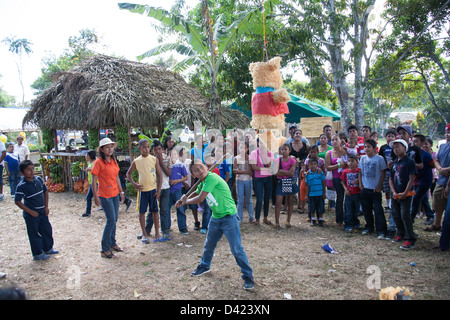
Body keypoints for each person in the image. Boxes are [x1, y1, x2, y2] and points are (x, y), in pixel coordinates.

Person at [175, 161, 254, 290]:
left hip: (229, 217)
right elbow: (196, 192)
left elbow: (200, 198)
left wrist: (185, 201)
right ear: (193, 174)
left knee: (236, 249)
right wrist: (185, 197)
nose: (200, 170)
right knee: (209, 244)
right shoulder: (203, 182)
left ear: (206, 167)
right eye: (196, 170)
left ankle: (248, 275)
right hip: (216, 217)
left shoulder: (211, 178)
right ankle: (204, 266)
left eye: (201, 167)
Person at [14, 160, 59, 261]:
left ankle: (48, 248)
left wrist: (46, 207)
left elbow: (45, 191)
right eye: (28, 170)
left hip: (43, 211)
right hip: (31, 215)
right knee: (34, 234)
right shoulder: (21, 186)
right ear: (22, 173)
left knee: (46, 230)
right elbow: (17, 201)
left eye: (33, 169)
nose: (32, 171)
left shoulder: (39, 179)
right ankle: (38, 254)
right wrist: (30, 212)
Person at [91, 138, 125, 258]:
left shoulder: (113, 160)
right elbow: (93, 181)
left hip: (115, 193)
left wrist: (121, 192)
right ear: (102, 149)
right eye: (107, 147)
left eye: (111, 146)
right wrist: (95, 197)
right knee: (110, 220)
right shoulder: (98, 162)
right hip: (104, 195)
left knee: (114, 220)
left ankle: (112, 243)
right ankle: (104, 249)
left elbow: (116, 178)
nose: (110, 149)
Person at [127, 139, 163, 243]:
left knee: (155, 212)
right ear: (139, 148)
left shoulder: (154, 159)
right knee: (142, 212)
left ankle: (157, 233)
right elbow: (128, 174)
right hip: (142, 191)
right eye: (144, 147)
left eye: (148, 147)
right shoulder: (136, 161)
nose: (146, 149)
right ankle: (144, 234)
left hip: (153, 191)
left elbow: (160, 176)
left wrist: (159, 190)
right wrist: (134, 184)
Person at [389, 139, 417, 250]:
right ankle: (400, 233)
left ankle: (410, 238)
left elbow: (412, 178)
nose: (395, 149)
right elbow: (391, 178)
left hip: (406, 193)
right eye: (394, 147)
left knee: (405, 214)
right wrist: (394, 192)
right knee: (396, 213)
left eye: (398, 147)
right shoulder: (395, 162)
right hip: (395, 193)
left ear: (404, 148)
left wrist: (405, 192)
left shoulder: (409, 162)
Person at [358, 139, 388, 239]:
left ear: (374, 148)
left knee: (378, 209)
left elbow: (383, 173)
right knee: (366, 209)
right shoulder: (362, 159)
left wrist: (379, 186)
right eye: (365, 147)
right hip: (365, 188)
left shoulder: (379, 159)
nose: (366, 149)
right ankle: (369, 226)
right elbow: (360, 172)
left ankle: (381, 230)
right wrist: (361, 184)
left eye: (369, 147)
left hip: (375, 190)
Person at [425, 123, 450, 233]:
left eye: (449, 133)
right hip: (442, 179)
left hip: (448, 179)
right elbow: (436, 159)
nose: (447, 135)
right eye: (446, 132)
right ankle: (437, 224)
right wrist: (440, 169)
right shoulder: (443, 146)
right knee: (437, 199)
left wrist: (446, 169)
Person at [410, 134, 435, 223]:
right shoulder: (412, 153)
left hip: (425, 180)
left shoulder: (426, 155)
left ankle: (411, 217)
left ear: (422, 143)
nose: (414, 143)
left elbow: (432, 165)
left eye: (416, 141)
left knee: (416, 198)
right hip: (416, 180)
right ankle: (430, 215)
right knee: (423, 198)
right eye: (413, 141)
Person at [325, 134, 348, 225]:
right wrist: (338, 165)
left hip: (347, 177)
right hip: (336, 178)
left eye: (336, 139)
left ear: (340, 141)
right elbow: (328, 167)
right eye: (332, 140)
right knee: (339, 197)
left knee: (348, 198)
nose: (334, 141)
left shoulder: (345, 151)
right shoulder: (329, 153)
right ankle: (339, 219)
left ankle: (349, 217)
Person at [151, 140, 172, 239]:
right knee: (152, 210)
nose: (157, 151)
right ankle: (146, 230)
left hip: (165, 187)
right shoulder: (150, 160)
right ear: (152, 151)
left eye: (159, 149)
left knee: (164, 210)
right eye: (155, 150)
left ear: (162, 149)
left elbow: (168, 173)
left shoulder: (167, 158)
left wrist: (161, 162)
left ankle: (165, 231)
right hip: (153, 188)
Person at [250, 138, 274, 225]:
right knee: (259, 199)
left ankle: (265, 218)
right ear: (257, 143)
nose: (263, 144)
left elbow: (271, 166)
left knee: (267, 199)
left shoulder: (270, 153)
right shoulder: (254, 153)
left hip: (268, 178)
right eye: (260, 143)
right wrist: (266, 169)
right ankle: (257, 219)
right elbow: (254, 167)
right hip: (258, 179)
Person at [378, 129, 397, 239]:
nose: (389, 138)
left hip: (396, 173)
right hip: (387, 171)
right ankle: (388, 205)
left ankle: (394, 226)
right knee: (387, 190)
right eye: (388, 136)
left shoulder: (397, 147)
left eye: (391, 136)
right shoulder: (383, 147)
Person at [274, 143, 297, 228]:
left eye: (285, 149)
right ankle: (277, 222)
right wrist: (284, 172)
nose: (283, 151)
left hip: (289, 181)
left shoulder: (292, 160)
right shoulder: (277, 160)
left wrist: (281, 171)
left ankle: (288, 221)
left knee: (290, 201)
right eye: (282, 149)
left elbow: (291, 173)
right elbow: (274, 173)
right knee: (278, 202)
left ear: (289, 151)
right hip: (280, 181)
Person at [168, 146, 190, 234]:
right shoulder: (166, 165)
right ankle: (166, 227)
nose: (173, 156)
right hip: (167, 191)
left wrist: (177, 181)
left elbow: (186, 177)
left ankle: (183, 228)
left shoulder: (180, 165)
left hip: (177, 190)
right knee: (166, 209)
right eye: (171, 154)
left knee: (180, 209)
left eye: (174, 154)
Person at [233, 141, 255, 223]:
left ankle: (251, 216)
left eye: (244, 148)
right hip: (239, 181)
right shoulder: (236, 158)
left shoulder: (250, 158)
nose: (242, 149)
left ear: (247, 149)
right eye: (241, 147)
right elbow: (234, 170)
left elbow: (251, 171)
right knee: (240, 200)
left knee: (249, 200)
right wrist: (246, 172)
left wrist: (240, 171)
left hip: (248, 181)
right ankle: (239, 218)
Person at [290, 129, 309, 214]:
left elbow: (309, 154)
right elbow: (284, 153)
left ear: (302, 136)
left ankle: (301, 204)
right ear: (293, 136)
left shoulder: (305, 145)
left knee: (302, 185)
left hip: (302, 168)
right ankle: (290, 203)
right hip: (292, 167)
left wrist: (305, 162)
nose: (297, 135)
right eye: (296, 133)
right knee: (293, 184)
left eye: (299, 133)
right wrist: (290, 156)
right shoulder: (289, 145)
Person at [341, 154, 362, 232]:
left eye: (352, 161)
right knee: (348, 209)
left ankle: (355, 222)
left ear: (357, 162)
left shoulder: (358, 171)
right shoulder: (345, 171)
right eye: (349, 161)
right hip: (349, 194)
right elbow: (342, 181)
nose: (350, 163)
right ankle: (348, 224)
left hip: (357, 193)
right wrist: (346, 189)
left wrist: (358, 180)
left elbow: (361, 179)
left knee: (356, 209)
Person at [305, 158, 326, 227]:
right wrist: (306, 195)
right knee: (312, 207)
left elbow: (323, 183)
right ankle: (313, 219)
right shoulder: (308, 174)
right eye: (311, 164)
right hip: (311, 194)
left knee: (320, 207)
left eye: (315, 164)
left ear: (317, 165)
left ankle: (320, 219)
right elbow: (307, 185)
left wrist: (324, 193)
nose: (313, 166)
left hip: (320, 193)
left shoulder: (320, 173)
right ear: (308, 165)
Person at [82, 150, 96, 217]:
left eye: (86, 155)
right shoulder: (89, 163)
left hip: (96, 182)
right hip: (92, 183)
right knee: (89, 197)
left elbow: (97, 170)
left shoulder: (95, 162)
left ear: (89, 156)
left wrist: (90, 169)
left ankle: (88, 212)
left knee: (89, 197)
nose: (85, 156)